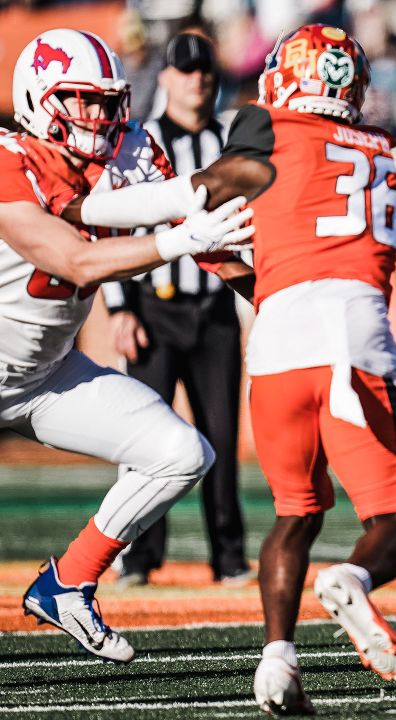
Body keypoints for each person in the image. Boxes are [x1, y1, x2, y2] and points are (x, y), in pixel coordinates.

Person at [64, 24, 396, 716]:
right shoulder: (382, 150)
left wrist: (92, 210)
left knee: (295, 515)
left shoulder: (269, 128)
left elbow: (202, 206)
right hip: (352, 336)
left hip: (280, 339)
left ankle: (277, 661)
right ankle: (352, 577)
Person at [5, 28, 253, 663]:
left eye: (108, 101)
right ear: (37, 100)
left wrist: (277, 304)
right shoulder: (9, 157)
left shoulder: (132, 151)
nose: (100, 117)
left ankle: (68, 582)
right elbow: (70, 260)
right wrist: (177, 241)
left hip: (41, 377)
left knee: (181, 452)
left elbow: (210, 238)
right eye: (81, 101)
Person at [103, 31, 250, 587]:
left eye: (205, 71)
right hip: (153, 309)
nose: (197, 80)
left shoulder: (228, 142)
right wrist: (119, 306)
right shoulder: (139, 141)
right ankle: (138, 555)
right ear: (164, 77)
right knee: (144, 438)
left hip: (214, 311)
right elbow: (113, 224)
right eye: (186, 71)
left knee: (221, 435)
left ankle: (228, 555)